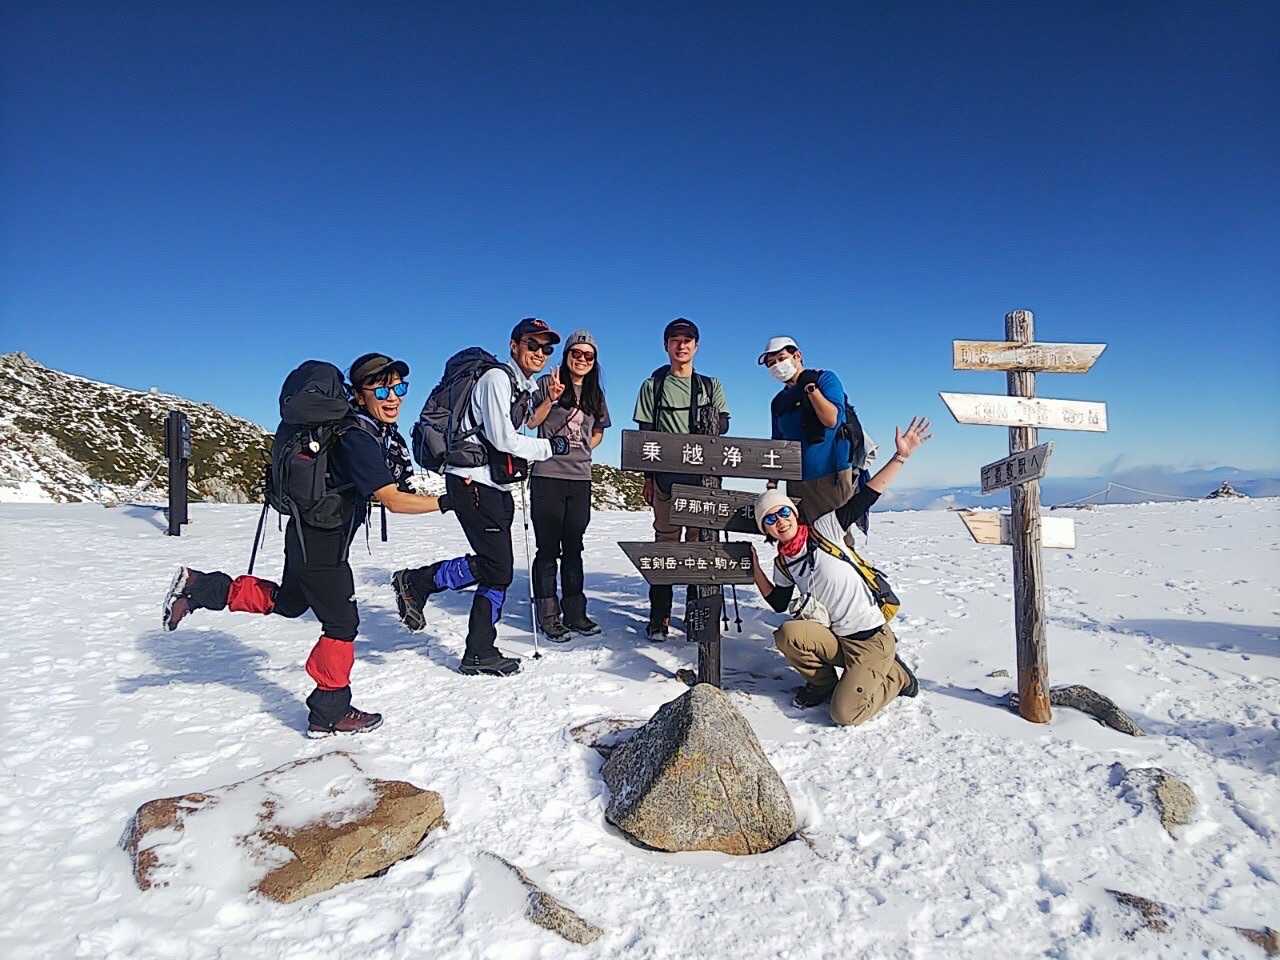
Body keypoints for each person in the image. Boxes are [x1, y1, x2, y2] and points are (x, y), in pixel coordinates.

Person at [162, 353, 447, 736]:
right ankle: (329, 711)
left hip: (306, 533)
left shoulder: (353, 430)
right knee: (342, 624)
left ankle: (199, 586)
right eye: (381, 390)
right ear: (359, 395)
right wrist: (449, 503)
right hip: (323, 544)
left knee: (291, 602)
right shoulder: (357, 436)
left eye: (399, 388)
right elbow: (393, 501)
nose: (393, 397)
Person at [392, 318, 574, 676]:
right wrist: (549, 448)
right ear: (514, 345)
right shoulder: (495, 379)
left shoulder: (520, 387)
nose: (540, 352)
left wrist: (549, 400)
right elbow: (503, 438)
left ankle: (479, 649)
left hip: (492, 486)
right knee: (498, 567)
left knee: (496, 568)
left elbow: (522, 425)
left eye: (546, 348)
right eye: (532, 344)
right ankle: (420, 585)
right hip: (473, 483)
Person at [750, 416, 932, 726]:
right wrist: (754, 569)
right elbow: (779, 602)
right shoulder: (783, 562)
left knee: (844, 714)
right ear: (765, 529)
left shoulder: (825, 529)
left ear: (794, 513)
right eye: (770, 519)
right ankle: (824, 685)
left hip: (870, 639)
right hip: (837, 639)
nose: (779, 521)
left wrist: (900, 457)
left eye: (783, 512)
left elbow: (866, 496)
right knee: (787, 634)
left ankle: (897, 676)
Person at [632, 317, 730, 641]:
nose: (682, 345)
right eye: (675, 339)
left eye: (688, 340)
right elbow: (645, 434)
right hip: (665, 480)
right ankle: (659, 617)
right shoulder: (652, 386)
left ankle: (694, 616)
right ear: (666, 345)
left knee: (698, 549)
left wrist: (707, 420)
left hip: (701, 481)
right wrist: (648, 477)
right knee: (666, 548)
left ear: (696, 346)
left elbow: (723, 424)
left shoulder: (710, 386)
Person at [526, 329, 611, 639]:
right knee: (548, 548)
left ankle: (575, 613)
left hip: (580, 478)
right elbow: (531, 422)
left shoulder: (594, 394)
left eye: (589, 355)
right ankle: (548, 615)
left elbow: (599, 430)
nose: (582, 359)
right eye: (577, 353)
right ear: (567, 355)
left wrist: (585, 447)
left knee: (574, 547)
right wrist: (550, 398)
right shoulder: (547, 384)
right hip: (548, 475)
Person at [759, 336, 865, 524]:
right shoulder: (778, 402)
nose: (777, 366)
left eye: (781, 358)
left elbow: (831, 420)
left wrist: (811, 389)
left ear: (797, 356)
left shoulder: (824, 379)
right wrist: (772, 482)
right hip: (796, 480)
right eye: (771, 363)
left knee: (834, 533)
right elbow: (778, 443)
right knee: (802, 534)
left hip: (832, 475)